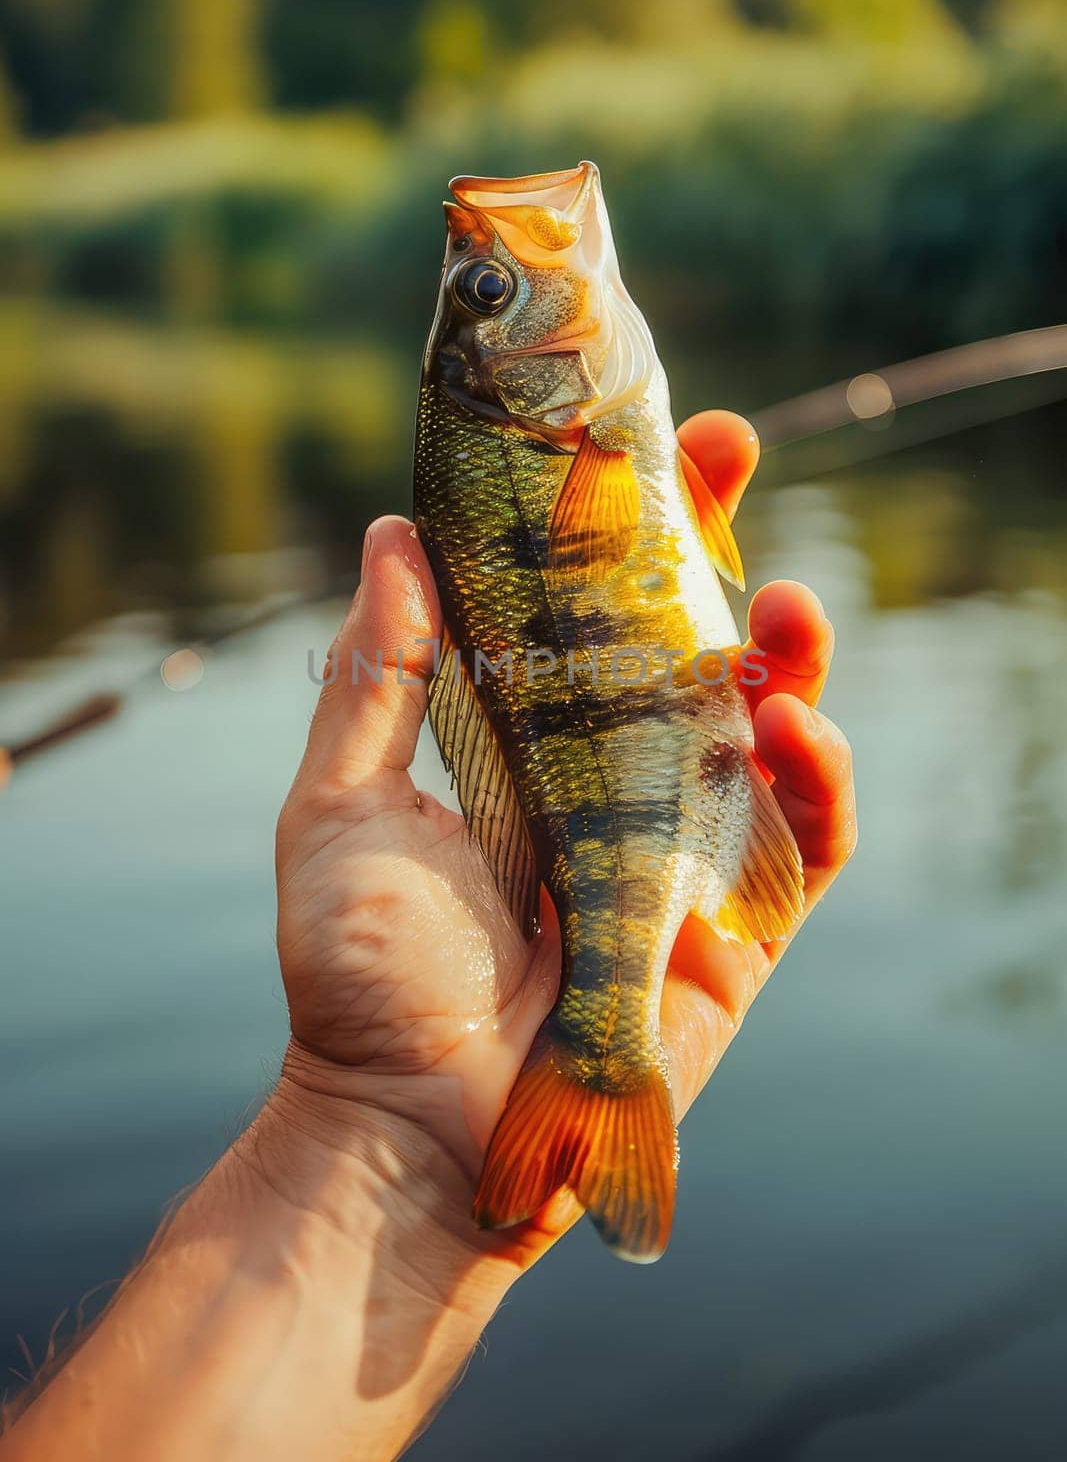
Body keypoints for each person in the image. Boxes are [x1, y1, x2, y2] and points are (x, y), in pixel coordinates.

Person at [0, 410, 856, 1462]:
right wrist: (386, 1127)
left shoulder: (597, 423)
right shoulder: (590, 421)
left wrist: (380, 1142)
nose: (492, 262)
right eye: (492, 288)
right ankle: (599, 1042)